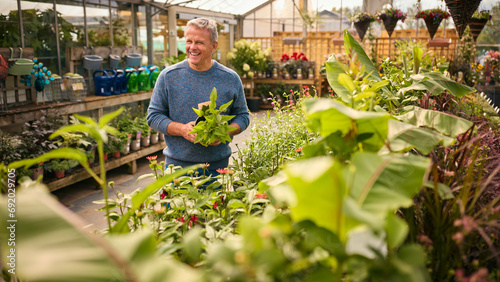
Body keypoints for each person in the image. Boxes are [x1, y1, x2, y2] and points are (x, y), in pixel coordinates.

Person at [147, 17, 249, 176]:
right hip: (177, 169)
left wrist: (224, 131)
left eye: (199, 42)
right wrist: (182, 130)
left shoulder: (230, 78)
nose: (192, 47)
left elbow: (243, 116)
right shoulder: (168, 76)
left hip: (217, 169)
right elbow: (153, 116)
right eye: (189, 41)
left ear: (214, 46)